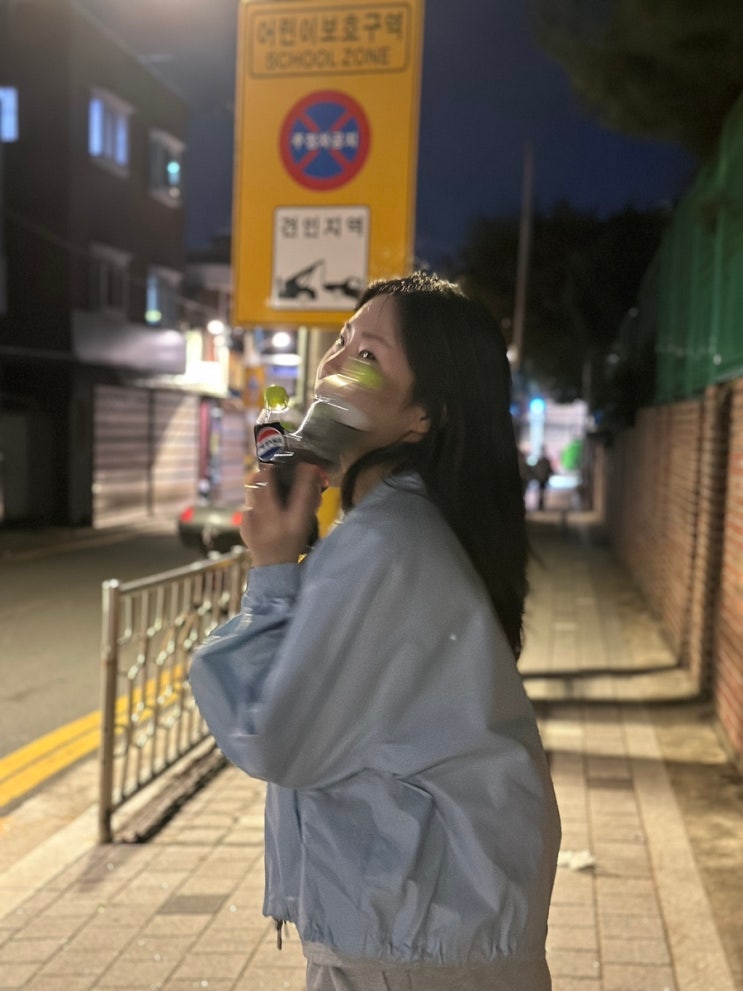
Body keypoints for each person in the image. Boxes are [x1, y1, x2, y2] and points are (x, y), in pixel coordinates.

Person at [189, 273, 561, 991]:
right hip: (427, 933)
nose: (334, 364)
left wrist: (272, 570)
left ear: (422, 417)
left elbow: (275, 736)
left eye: (368, 356)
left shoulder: (386, 543)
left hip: (416, 947)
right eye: (340, 342)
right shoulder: (405, 526)